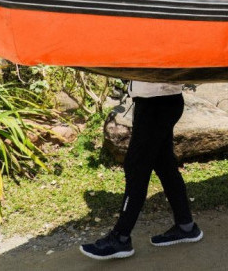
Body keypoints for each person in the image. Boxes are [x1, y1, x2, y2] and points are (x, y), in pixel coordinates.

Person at [80, 81, 202, 260]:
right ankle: (186, 226)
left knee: (136, 166)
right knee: (164, 164)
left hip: (157, 103)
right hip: (158, 101)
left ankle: (120, 238)